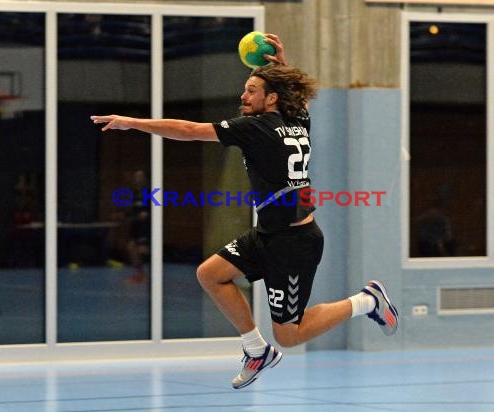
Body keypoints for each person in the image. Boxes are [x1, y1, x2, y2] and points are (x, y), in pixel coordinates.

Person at [91, 33, 398, 389]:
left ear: (270, 99)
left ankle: (366, 301)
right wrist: (279, 65)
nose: (243, 96)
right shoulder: (297, 120)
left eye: (251, 90)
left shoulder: (257, 128)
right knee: (211, 274)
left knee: (290, 334)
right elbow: (292, 99)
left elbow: (190, 131)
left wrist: (134, 123)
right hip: (269, 233)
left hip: (293, 243)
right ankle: (256, 350)